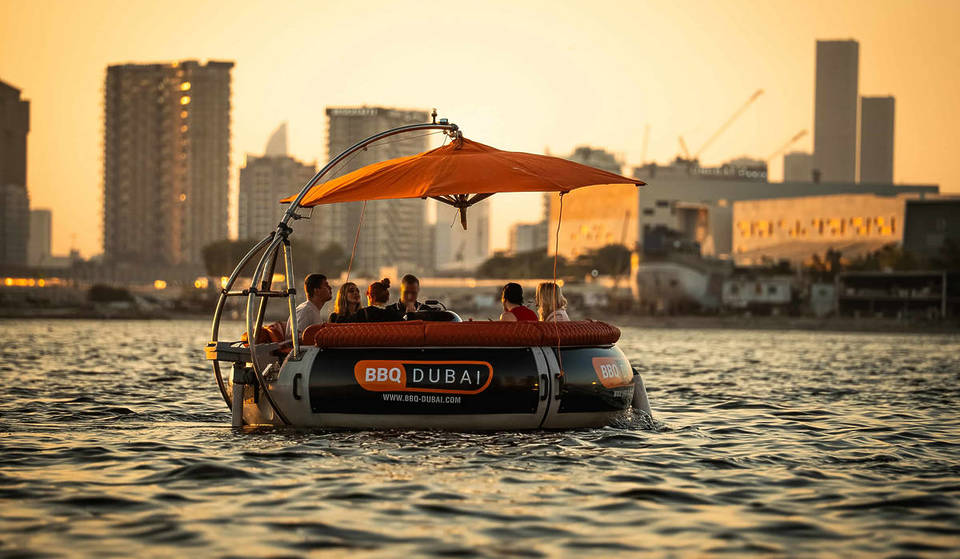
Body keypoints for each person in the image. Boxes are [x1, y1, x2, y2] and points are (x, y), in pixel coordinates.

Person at [287, 273, 332, 339]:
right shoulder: (306, 310)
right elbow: (295, 338)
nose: (330, 288)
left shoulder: (312, 310)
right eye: (326, 285)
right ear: (316, 290)